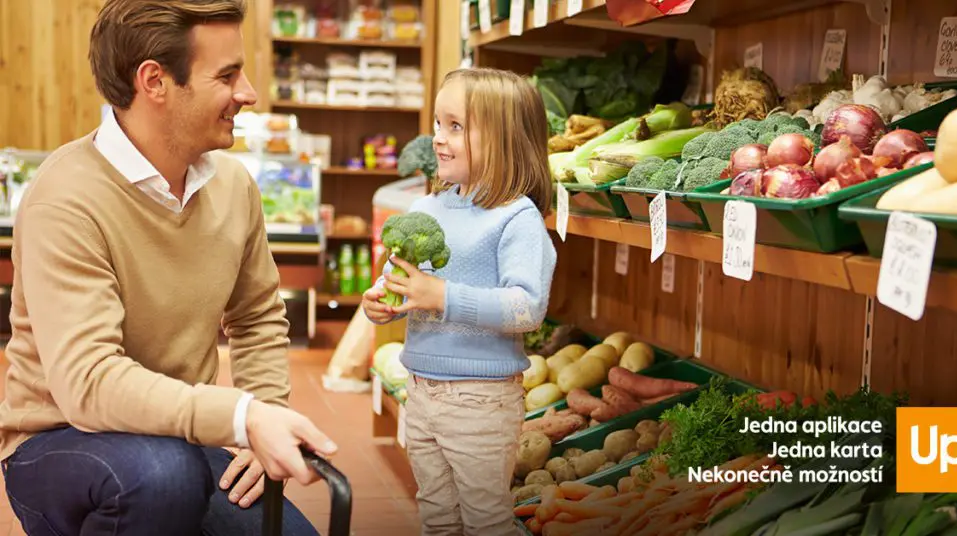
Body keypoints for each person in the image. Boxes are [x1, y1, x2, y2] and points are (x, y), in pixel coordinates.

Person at [0, 1, 335, 534]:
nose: (247, 93)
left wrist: (264, 411)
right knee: (162, 479)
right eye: (227, 75)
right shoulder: (64, 199)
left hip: (176, 439)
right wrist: (242, 417)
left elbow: (257, 317)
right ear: (154, 81)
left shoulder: (232, 187)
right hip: (58, 442)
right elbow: (88, 382)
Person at [361, 67, 557, 536]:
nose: (438, 139)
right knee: (436, 516)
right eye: (436, 124)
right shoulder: (426, 208)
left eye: (456, 126)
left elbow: (527, 308)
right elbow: (399, 279)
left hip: (481, 401)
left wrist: (443, 296)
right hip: (420, 391)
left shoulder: (516, 217)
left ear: (505, 139)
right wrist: (379, 300)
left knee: (486, 521)